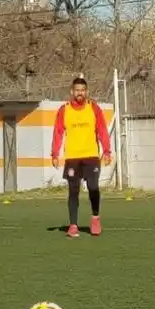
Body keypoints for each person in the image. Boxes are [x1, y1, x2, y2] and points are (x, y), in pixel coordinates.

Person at [51, 77, 113, 237]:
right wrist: (55, 153)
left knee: (93, 187)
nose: (80, 93)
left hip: (91, 156)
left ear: (86, 92)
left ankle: (95, 217)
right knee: (73, 191)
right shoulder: (64, 110)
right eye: (77, 90)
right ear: (72, 92)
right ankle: (73, 225)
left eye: (83, 90)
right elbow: (58, 132)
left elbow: (102, 130)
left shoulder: (94, 108)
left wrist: (106, 151)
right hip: (72, 158)